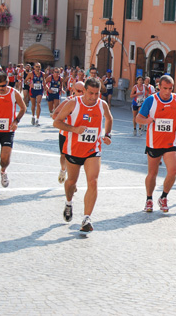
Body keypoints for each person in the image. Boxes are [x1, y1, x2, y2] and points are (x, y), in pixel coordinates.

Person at [53, 77, 113, 233]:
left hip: (93, 149)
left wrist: (108, 135)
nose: (93, 97)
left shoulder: (102, 105)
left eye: (97, 93)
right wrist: (74, 129)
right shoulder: (74, 103)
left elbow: (109, 118)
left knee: (93, 181)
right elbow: (56, 122)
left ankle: (87, 218)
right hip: (74, 149)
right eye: (91, 93)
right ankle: (68, 202)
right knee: (71, 182)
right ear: (85, 90)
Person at [136, 75, 176, 213]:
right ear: (159, 87)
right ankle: (149, 199)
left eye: (170, 89)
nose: (167, 92)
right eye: (165, 88)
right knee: (152, 173)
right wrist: (148, 121)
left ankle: (163, 197)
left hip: (171, 142)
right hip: (154, 143)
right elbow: (138, 118)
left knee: (173, 170)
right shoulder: (151, 100)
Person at [53, 81, 85, 184]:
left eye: (83, 91)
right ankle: (63, 169)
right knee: (63, 156)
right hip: (65, 133)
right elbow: (55, 115)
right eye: (79, 91)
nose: (82, 93)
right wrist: (66, 120)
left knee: (75, 159)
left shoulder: (86, 103)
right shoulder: (68, 101)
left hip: (77, 135)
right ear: (73, 91)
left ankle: (72, 182)